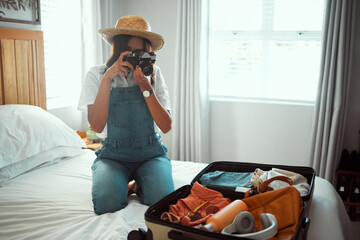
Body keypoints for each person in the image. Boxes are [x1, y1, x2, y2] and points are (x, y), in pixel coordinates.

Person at [78, 15, 175, 215]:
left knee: (162, 201)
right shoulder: (97, 75)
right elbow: (96, 127)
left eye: (139, 52)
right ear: (117, 49)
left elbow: (166, 126)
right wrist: (107, 80)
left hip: (150, 153)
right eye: (128, 51)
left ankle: (139, 182)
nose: (133, 57)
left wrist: (146, 88)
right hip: (113, 155)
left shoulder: (153, 74)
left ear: (148, 52)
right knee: (107, 204)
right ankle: (129, 183)